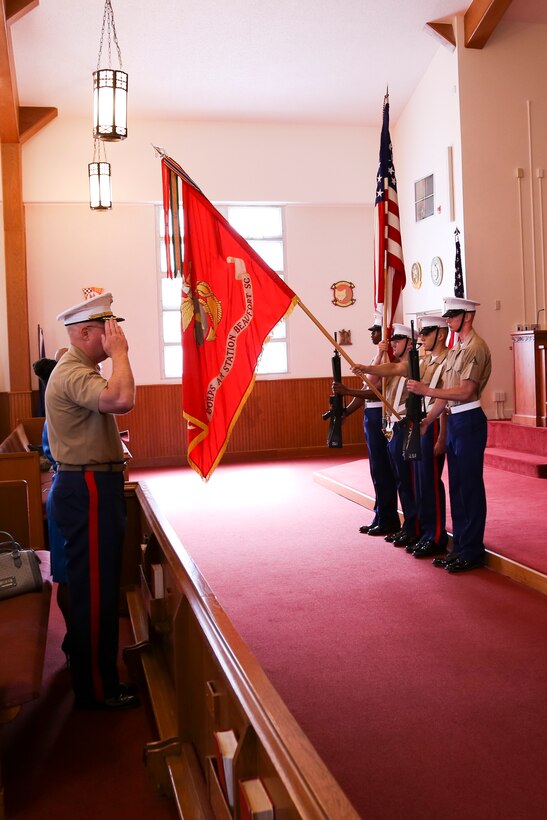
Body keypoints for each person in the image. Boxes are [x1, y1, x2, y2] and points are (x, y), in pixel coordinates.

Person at [45, 291, 138, 708]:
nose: (114, 334)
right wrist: (121, 355)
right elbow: (122, 399)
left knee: (96, 587)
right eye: (107, 328)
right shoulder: (73, 372)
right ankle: (98, 690)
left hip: (91, 484)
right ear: (85, 333)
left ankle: (95, 676)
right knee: (96, 592)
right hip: (87, 487)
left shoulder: (79, 369)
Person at [353, 316, 451, 556]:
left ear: (440, 334)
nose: (422, 338)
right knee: (416, 482)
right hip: (417, 425)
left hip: (430, 423)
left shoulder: (447, 359)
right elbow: (395, 368)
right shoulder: (425, 361)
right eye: (421, 334)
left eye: (426, 333)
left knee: (427, 483)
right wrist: (368, 368)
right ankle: (422, 531)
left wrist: (441, 435)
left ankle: (434, 535)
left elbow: (444, 399)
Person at [407, 296, 492, 573]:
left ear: (468, 316)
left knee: (469, 487)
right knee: (457, 487)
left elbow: (465, 391)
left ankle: (473, 550)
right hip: (455, 420)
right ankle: (461, 547)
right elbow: (445, 395)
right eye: (447, 316)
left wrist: (426, 390)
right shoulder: (457, 349)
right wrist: (427, 422)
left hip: (469, 419)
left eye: (453, 315)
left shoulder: (476, 347)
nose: (448, 320)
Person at [352, 324, 419, 548]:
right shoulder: (393, 364)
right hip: (393, 424)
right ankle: (402, 524)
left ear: (409, 343)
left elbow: (385, 374)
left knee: (406, 481)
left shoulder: (410, 365)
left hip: (405, 424)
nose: (393, 343)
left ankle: (413, 526)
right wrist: (376, 358)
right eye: (393, 340)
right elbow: (373, 380)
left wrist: (368, 365)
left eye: (397, 340)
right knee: (395, 478)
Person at [334, 309, 400, 537]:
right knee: (376, 471)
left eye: (376, 331)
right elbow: (365, 392)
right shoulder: (376, 358)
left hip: (381, 415)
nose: (372, 334)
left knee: (383, 470)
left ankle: (388, 518)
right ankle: (380, 515)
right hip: (370, 416)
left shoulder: (389, 360)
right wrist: (346, 412)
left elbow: (375, 392)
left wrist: (347, 391)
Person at [32, 354, 70, 656]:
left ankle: (75, 638)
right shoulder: (60, 415)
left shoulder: (54, 412)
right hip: (68, 493)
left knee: (66, 576)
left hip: (62, 490)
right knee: (67, 577)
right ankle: (75, 639)